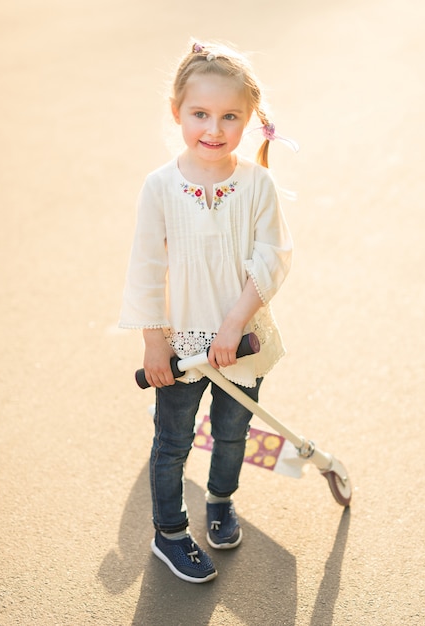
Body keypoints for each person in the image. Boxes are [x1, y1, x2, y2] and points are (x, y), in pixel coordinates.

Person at [119, 39, 295, 583]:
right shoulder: (161, 187)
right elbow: (147, 265)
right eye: (200, 114)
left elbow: (273, 257)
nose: (213, 129)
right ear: (177, 113)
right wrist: (154, 340)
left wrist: (236, 321)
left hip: (239, 339)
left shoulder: (258, 185)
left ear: (249, 119)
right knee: (172, 440)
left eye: (229, 116)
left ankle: (220, 500)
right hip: (183, 344)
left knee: (233, 427)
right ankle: (169, 533)